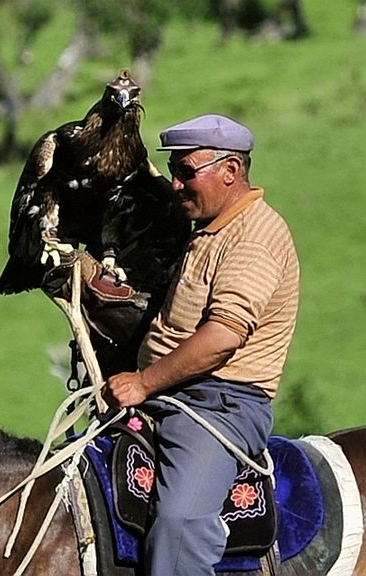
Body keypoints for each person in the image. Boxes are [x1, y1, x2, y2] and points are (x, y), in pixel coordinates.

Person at [104, 113, 300, 576]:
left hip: (221, 405)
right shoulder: (211, 226)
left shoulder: (255, 237)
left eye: (185, 172)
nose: (175, 184)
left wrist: (144, 383)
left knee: (180, 522)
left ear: (230, 171)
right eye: (173, 171)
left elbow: (221, 339)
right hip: (175, 392)